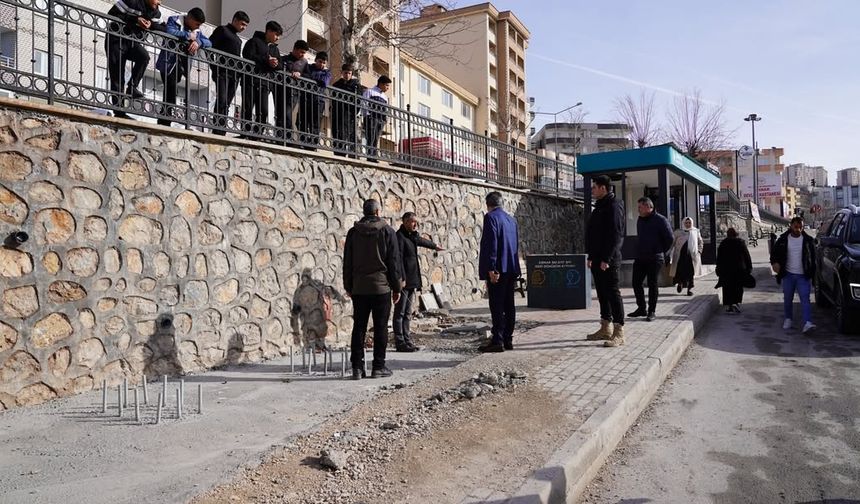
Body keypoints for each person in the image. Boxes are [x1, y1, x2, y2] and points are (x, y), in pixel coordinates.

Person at [343, 199, 403, 380]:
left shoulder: (353, 233)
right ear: (378, 212)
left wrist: (348, 286)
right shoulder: (387, 231)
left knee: (359, 327)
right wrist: (397, 287)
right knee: (380, 327)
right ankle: (378, 366)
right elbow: (393, 261)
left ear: (365, 212)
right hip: (381, 287)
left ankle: (357, 368)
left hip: (360, 288)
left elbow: (348, 262)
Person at [104, 0, 164, 119]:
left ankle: (132, 87)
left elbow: (164, 28)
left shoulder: (156, 13)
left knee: (144, 57)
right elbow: (111, 14)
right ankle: (119, 112)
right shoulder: (131, 1)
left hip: (131, 43)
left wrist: (150, 25)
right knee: (117, 76)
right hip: (115, 39)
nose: (159, 3)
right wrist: (135, 19)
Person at [585, 175, 626, 347]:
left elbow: (615, 235)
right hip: (597, 260)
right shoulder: (599, 207)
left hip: (608, 260)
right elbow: (593, 234)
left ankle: (619, 332)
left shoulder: (614, 206)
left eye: (594, 187)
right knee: (602, 294)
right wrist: (591, 256)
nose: (592, 190)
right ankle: (605, 327)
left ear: (603, 188)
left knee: (612, 293)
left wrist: (606, 258)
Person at [394, 212, 444, 352]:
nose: (415, 224)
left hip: (412, 280)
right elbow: (398, 261)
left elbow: (421, 241)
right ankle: (400, 342)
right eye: (412, 221)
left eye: (416, 222)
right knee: (400, 312)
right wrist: (401, 280)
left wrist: (435, 246)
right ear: (404, 222)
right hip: (404, 281)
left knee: (408, 312)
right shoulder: (400, 237)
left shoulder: (412, 236)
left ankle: (407, 339)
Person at [477, 191, 520, 353]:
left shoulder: (491, 218)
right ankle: (508, 339)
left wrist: (492, 268)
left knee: (496, 305)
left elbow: (491, 244)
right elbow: (515, 246)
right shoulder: (511, 219)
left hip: (498, 270)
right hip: (511, 268)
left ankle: (497, 340)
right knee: (509, 305)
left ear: (488, 205)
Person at [155, 8, 211, 126]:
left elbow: (209, 43)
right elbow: (169, 31)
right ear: (190, 18)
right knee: (170, 87)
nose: (198, 27)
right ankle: (165, 118)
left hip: (182, 65)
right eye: (197, 24)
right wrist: (187, 35)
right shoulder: (174, 19)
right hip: (168, 61)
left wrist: (198, 42)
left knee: (172, 88)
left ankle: (165, 116)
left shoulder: (196, 30)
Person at [628, 197, 673, 322]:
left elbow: (669, 239)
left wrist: (659, 250)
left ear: (648, 207)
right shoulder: (640, 220)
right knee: (636, 282)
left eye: (640, 207)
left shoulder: (661, 220)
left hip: (655, 258)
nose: (638, 210)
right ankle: (641, 308)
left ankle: (651, 311)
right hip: (640, 257)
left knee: (652, 284)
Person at [770, 216, 816, 333]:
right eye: (796, 227)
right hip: (788, 274)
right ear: (791, 226)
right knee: (788, 298)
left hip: (803, 275)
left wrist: (813, 275)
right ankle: (788, 319)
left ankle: (807, 322)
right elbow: (774, 254)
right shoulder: (783, 240)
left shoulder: (808, 241)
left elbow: (813, 258)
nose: (798, 229)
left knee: (805, 299)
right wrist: (775, 263)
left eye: (801, 227)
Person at [209, 11, 249, 135]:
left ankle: (222, 130)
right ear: (235, 20)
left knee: (227, 103)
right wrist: (214, 66)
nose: (244, 28)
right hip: (222, 71)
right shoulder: (222, 30)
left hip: (235, 74)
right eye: (242, 24)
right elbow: (210, 47)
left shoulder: (238, 39)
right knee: (221, 100)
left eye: (246, 26)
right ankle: (217, 130)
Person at [241, 21, 283, 136]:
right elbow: (248, 55)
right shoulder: (254, 42)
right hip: (250, 80)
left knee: (263, 111)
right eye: (276, 34)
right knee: (248, 108)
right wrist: (266, 60)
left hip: (265, 83)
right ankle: (245, 133)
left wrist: (275, 63)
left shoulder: (275, 49)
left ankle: (257, 134)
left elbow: (280, 65)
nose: (277, 38)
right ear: (268, 31)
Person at [276, 39, 310, 141]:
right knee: (279, 114)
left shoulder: (304, 63)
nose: (302, 55)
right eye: (301, 52)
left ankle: (288, 137)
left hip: (294, 92)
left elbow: (309, 76)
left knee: (288, 113)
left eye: (304, 53)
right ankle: (279, 137)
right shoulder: (284, 59)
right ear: (295, 49)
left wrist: (301, 75)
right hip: (281, 89)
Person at [297, 51, 332, 147]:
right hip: (305, 98)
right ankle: (302, 142)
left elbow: (325, 82)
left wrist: (312, 78)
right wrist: (317, 79)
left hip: (318, 101)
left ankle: (312, 145)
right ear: (316, 60)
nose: (321, 64)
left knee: (315, 123)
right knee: (302, 121)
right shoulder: (308, 67)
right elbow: (304, 76)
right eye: (320, 61)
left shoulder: (327, 72)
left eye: (324, 63)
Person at [716, 227, 752, 313]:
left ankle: (730, 305)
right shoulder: (740, 242)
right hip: (739, 269)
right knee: (738, 287)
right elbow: (747, 256)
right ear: (736, 234)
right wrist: (749, 267)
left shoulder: (723, 243)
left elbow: (719, 258)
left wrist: (718, 268)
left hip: (726, 270)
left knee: (727, 287)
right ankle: (736, 302)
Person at [331, 64, 362, 156]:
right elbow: (334, 98)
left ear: (351, 74)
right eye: (345, 73)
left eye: (349, 73)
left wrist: (354, 112)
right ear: (342, 73)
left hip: (349, 113)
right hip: (337, 112)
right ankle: (338, 153)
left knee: (348, 133)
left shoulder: (356, 86)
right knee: (337, 132)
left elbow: (358, 100)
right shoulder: (337, 84)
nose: (347, 75)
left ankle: (351, 154)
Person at [670, 216, 703, 296]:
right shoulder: (678, 232)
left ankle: (689, 289)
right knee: (680, 271)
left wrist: (699, 251)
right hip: (680, 256)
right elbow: (672, 243)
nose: (688, 224)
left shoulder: (695, 231)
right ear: (683, 223)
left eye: (689, 223)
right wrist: (668, 252)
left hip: (691, 256)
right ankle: (680, 284)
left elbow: (700, 242)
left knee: (690, 273)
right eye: (686, 223)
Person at [362, 75, 391, 162]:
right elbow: (364, 103)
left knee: (376, 138)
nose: (387, 88)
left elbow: (386, 109)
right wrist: (367, 115)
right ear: (381, 84)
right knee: (370, 137)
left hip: (380, 120)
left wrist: (385, 119)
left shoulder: (385, 97)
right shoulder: (370, 92)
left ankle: (373, 156)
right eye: (386, 85)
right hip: (371, 117)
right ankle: (370, 156)